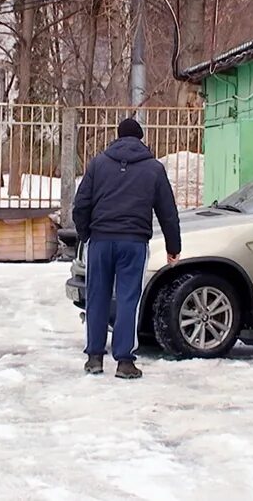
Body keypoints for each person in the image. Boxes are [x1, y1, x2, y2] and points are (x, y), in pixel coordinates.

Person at [72, 118, 182, 380]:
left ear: (117, 137)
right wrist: (173, 247)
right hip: (133, 243)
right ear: (141, 139)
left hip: (100, 240)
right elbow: (168, 212)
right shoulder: (154, 169)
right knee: (127, 299)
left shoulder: (98, 164)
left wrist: (86, 234)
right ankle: (124, 362)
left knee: (96, 296)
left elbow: (81, 205)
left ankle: (94, 358)